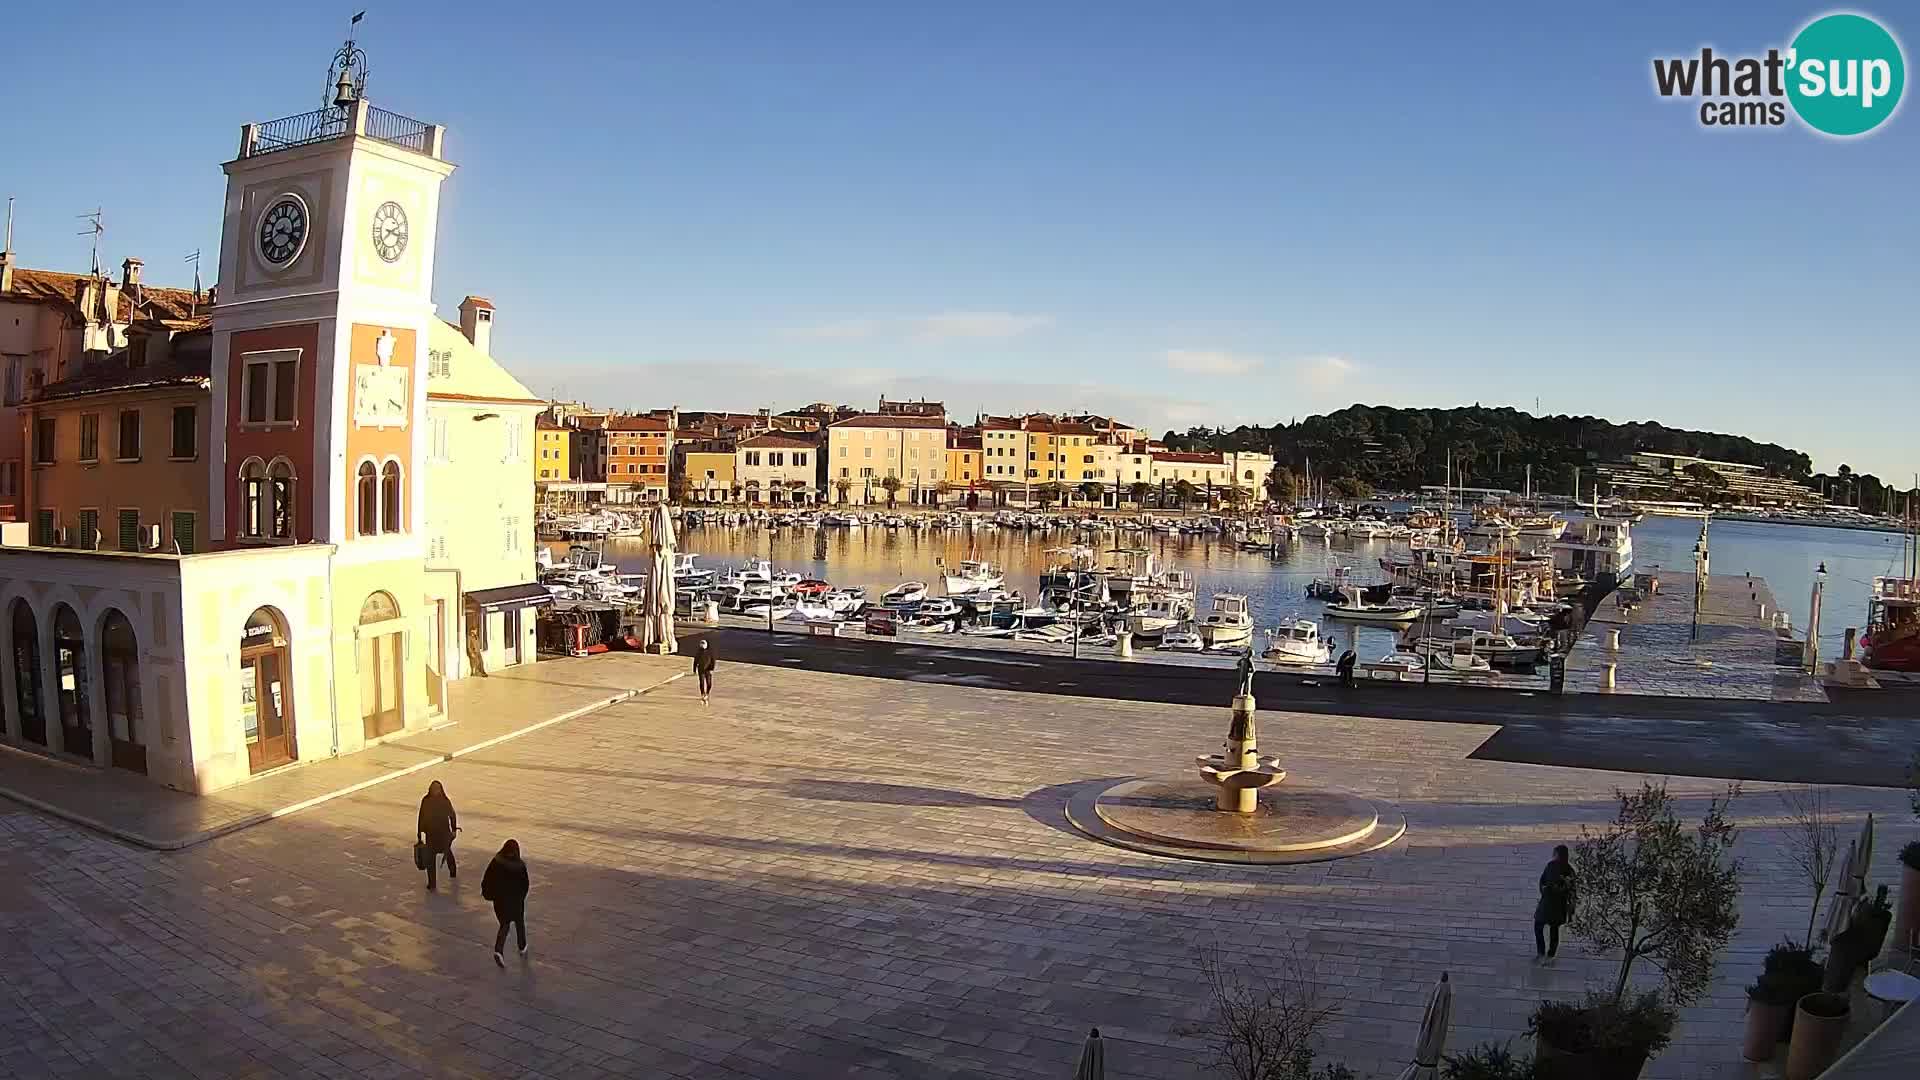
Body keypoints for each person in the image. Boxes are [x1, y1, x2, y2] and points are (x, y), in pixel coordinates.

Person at [481, 839, 531, 967]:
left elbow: (487, 879)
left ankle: (499, 950)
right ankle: (522, 947)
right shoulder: (520, 866)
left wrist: (489, 894)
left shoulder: (496, 861)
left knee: (505, 924)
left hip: (500, 901)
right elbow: (525, 885)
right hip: (516, 902)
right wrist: (521, 897)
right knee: (519, 923)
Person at [1535, 844, 1576, 959]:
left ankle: (1545, 953)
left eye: (1555, 853)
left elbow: (1570, 889)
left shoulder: (1562, 869)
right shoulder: (1557, 867)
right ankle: (1546, 953)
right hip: (1552, 903)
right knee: (1546, 927)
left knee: (1546, 928)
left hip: (1553, 904)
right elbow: (1542, 880)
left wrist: (1547, 890)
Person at [416, 780, 459, 891]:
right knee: (430, 859)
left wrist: (454, 829)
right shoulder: (426, 800)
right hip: (431, 834)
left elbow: (452, 815)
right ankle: (432, 883)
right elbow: (421, 815)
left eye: (438, 788)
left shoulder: (444, 801)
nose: (436, 791)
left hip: (443, 833)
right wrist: (419, 832)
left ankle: (453, 871)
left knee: (447, 853)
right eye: (434, 788)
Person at [693, 638, 717, 704]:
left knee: (709, 683)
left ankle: (707, 693)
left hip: (708, 670)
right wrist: (694, 669)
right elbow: (695, 661)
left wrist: (712, 669)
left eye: (703, 644)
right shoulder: (698, 652)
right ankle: (703, 694)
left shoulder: (710, 652)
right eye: (701, 644)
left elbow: (713, 661)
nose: (702, 645)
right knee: (702, 683)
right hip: (700, 669)